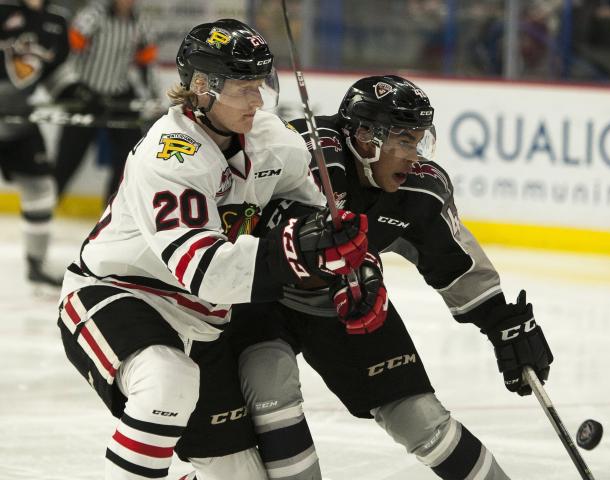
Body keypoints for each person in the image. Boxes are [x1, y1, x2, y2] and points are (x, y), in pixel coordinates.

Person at [56, 19, 379, 480]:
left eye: (261, 85)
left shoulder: (275, 143)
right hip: (117, 293)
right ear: (203, 88)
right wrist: (297, 252)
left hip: (205, 320)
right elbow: (204, 270)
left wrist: (354, 267)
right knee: (168, 381)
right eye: (244, 88)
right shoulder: (169, 156)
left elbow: (315, 220)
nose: (258, 100)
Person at [227, 75, 554, 479]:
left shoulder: (420, 191)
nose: (415, 156)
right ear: (366, 137)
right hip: (260, 296)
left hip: (348, 302)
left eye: (419, 141)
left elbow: (454, 264)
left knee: (418, 416)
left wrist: (501, 322)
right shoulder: (299, 152)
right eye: (405, 142)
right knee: (270, 392)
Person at [52, 0, 158, 204]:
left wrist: (153, 98)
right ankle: (45, 206)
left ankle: (113, 208)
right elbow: (67, 52)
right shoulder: (93, 16)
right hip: (86, 94)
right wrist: (70, 88)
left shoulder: (141, 22)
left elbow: (147, 64)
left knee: (130, 157)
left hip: (119, 94)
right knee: (68, 157)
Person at [0, 0, 69, 288]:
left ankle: (36, 263)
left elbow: (55, 73)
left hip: (19, 119)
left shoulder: (56, 20)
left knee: (40, 188)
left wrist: (74, 90)